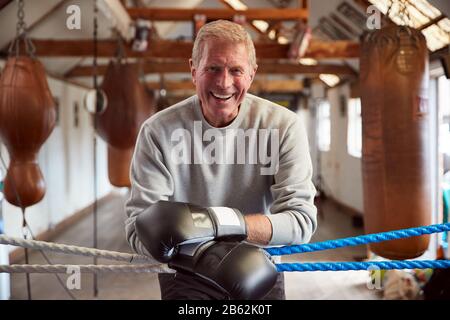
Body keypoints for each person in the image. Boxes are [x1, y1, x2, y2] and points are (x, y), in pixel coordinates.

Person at [125, 19, 317, 300]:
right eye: (212, 68)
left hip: (260, 269)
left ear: (251, 74)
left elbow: (301, 222)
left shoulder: (284, 126)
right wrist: (203, 251)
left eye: (236, 70)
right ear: (194, 71)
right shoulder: (158, 132)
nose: (223, 82)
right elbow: (137, 229)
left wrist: (214, 223)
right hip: (186, 275)